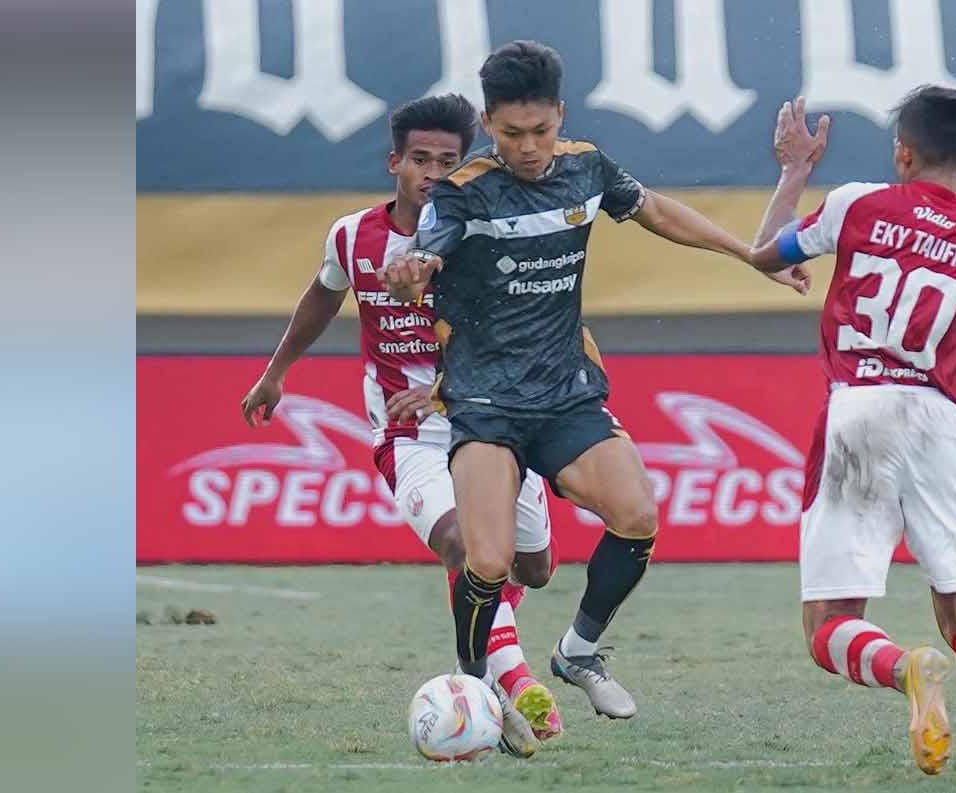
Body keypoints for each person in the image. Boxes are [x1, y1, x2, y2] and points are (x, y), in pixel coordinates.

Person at [382, 40, 800, 727]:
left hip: (566, 394)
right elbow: (425, 248)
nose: (528, 148)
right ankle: (474, 683)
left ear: (560, 117)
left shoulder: (586, 169)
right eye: (512, 134)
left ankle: (578, 651)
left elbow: (656, 209)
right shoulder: (463, 194)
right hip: (485, 403)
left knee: (638, 515)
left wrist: (748, 256)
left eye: (541, 131)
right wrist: (412, 267)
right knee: (487, 560)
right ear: (488, 125)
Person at [239, 94, 561, 758]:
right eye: (421, 159)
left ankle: (490, 645)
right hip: (408, 435)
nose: (434, 173)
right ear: (396, 162)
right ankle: (511, 684)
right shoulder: (352, 236)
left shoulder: (484, 237)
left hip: (491, 420)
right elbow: (324, 294)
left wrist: (447, 388)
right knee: (463, 547)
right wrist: (276, 371)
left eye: (449, 161)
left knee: (534, 566)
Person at [747, 88, 956, 780]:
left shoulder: (856, 203)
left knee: (827, 624)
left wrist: (793, 174)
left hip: (858, 411)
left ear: (902, 153)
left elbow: (765, 253)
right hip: (939, 420)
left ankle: (907, 668)